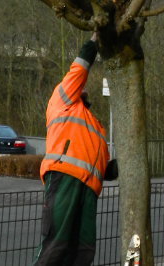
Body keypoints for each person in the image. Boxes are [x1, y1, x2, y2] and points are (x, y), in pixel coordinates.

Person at [34, 32, 114, 266]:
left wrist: (114, 169)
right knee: (55, 246)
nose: (84, 86)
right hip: (64, 178)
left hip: (88, 189)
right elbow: (79, 70)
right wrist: (93, 42)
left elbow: (99, 163)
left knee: (83, 252)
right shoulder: (63, 100)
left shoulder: (95, 125)